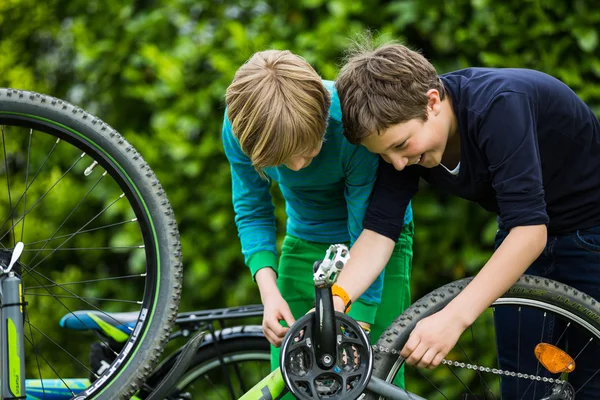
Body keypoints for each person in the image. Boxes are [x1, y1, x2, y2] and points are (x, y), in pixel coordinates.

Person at [332, 40, 600, 398]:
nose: (397, 164)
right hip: (524, 231)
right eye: (383, 155)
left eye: (400, 147)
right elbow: (380, 231)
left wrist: (453, 317)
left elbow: (530, 233)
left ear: (432, 102)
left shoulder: (499, 105)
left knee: (593, 384)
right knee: (522, 388)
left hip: (590, 234)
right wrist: (335, 303)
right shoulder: (406, 138)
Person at [221, 50, 414, 394]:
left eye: (308, 150)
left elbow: (368, 229)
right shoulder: (240, 128)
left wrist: (362, 315)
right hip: (305, 238)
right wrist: (269, 291)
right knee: (296, 380)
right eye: (282, 159)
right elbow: (252, 209)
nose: (297, 166)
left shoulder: (350, 121)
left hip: (377, 244)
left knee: (372, 382)